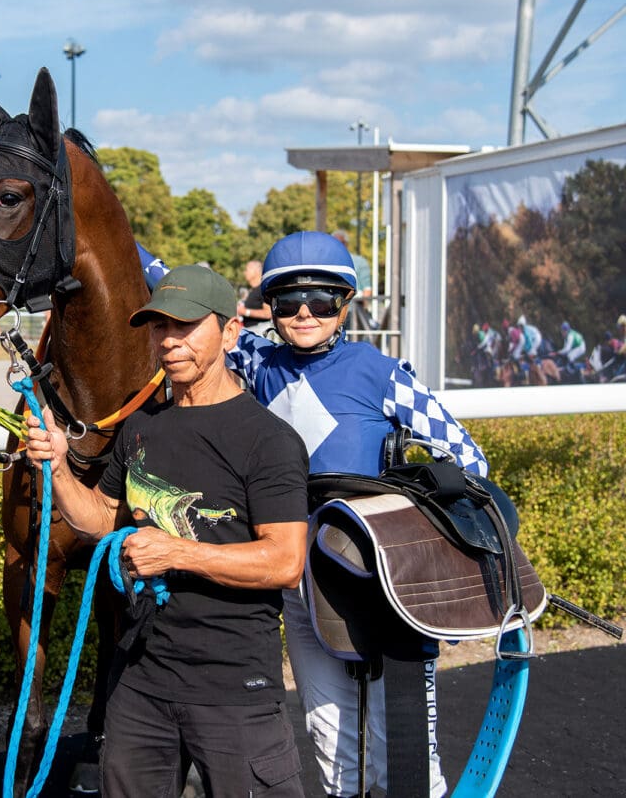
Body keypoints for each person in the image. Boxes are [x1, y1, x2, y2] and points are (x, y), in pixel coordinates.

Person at [24, 263, 310, 798]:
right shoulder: (142, 426)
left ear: (229, 332)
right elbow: (99, 517)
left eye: (185, 326)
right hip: (139, 681)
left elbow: (285, 561)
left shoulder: (267, 440)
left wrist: (176, 552)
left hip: (233, 687)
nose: (169, 341)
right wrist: (59, 468)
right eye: (159, 327)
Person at [227, 231, 488, 798]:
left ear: (344, 304)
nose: (303, 313)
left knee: (407, 741)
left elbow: (468, 458)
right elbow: (178, 311)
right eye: (287, 302)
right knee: (328, 734)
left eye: (321, 300)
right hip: (297, 572)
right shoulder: (253, 358)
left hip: (377, 575)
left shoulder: (380, 370)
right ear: (268, 307)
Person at [236, 259, 272, 335]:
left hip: (260, 331)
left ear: (256, 271)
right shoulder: (252, 290)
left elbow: (268, 313)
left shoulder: (262, 289)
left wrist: (245, 311)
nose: (244, 272)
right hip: (250, 330)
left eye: (247, 269)